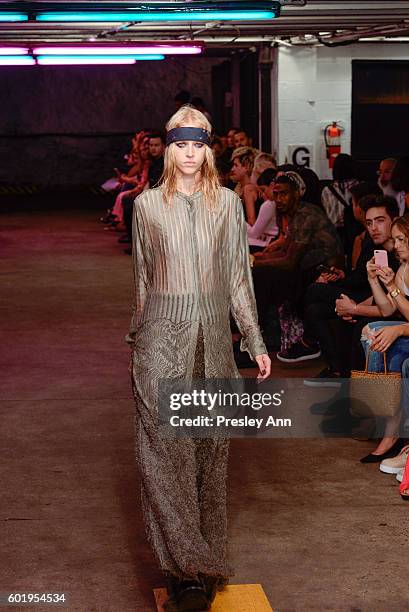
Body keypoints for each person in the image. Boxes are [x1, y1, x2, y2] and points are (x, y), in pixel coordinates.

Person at [127, 106, 270, 611]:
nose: (189, 155)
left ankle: (206, 560)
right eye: (180, 145)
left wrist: (254, 340)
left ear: (209, 149)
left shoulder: (229, 205)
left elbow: (238, 278)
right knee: (166, 456)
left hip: (212, 339)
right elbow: (142, 279)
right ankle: (184, 570)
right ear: (168, 149)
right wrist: (137, 339)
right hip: (161, 340)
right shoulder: (146, 206)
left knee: (209, 454)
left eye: (198, 145)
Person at [359, 214, 409, 463]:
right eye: (395, 239)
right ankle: (386, 418)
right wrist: (374, 280)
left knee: (384, 338)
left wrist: (398, 329)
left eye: (401, 239)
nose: (396, 245)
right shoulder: (403, 268)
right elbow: (388, 309)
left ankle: (390, 426)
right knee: (373, 331)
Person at [230, 146, 259, 225]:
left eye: (236, 165)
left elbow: (251, 223)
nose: (232, 169)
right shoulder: (238, 188)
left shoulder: (248, 189)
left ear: (246, 166)